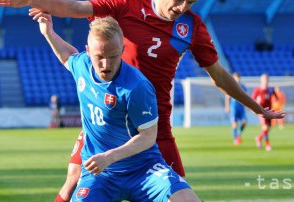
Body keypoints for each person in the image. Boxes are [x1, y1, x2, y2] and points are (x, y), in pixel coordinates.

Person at [0, 0, 285, 201]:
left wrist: (254, 106)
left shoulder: (192, 27)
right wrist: (33, 0)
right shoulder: (128, 6)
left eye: (191, 2)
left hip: (153, 127)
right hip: (108, 121)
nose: (182, 7)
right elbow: (75, 7)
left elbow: (219, 75)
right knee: (73, 179)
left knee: (179, 194)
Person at [36, 12, 201, 201]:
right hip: (101, 175)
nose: (106, 64)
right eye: (100, 57)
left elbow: (148, 137)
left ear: (122, 50)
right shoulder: (82, 66)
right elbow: (67, 55)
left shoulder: (137, 86)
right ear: (88, 51)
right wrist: (48, 32)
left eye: (113, 56)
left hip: (143, 170)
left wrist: (108, 157)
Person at [252, 74, 278, 151]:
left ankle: (259, 138)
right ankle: (268, 145)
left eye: (266, 79)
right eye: (264, 79)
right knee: (265, 127)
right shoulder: (258, 90)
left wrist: (276, 97)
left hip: (269, 111)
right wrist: (254, 109)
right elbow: (253, 99)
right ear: (261, 80)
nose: (265, 80)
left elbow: (276, 98)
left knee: (268, 129)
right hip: (261, 111)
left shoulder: (271, 90)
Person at [225, 72, 247, 145]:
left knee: (244, 122)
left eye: (238, 78)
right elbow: (227, 97)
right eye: (236, 78)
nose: (238, 79)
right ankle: (235, 138)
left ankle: (238, 134)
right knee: (234, 124)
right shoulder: (231, 87)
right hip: (234, 108)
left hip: (242, 108)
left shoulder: (243, 87)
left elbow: (247, 98)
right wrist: (227, 106)